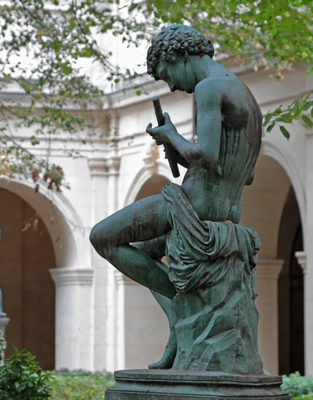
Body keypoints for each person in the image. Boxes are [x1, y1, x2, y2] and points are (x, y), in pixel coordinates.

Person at [89, 24, 262, 369]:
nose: (171, 86)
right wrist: (177, 149)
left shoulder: (208, 88)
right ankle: (179, 328)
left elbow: (206, 156)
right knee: (142, 253)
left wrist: (172, 136)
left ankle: (182, 309)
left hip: (188, 207)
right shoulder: (246, 96)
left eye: (167, 75)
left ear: (179, 55)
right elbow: (244, 173)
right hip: (226, 210)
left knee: (102, 237)